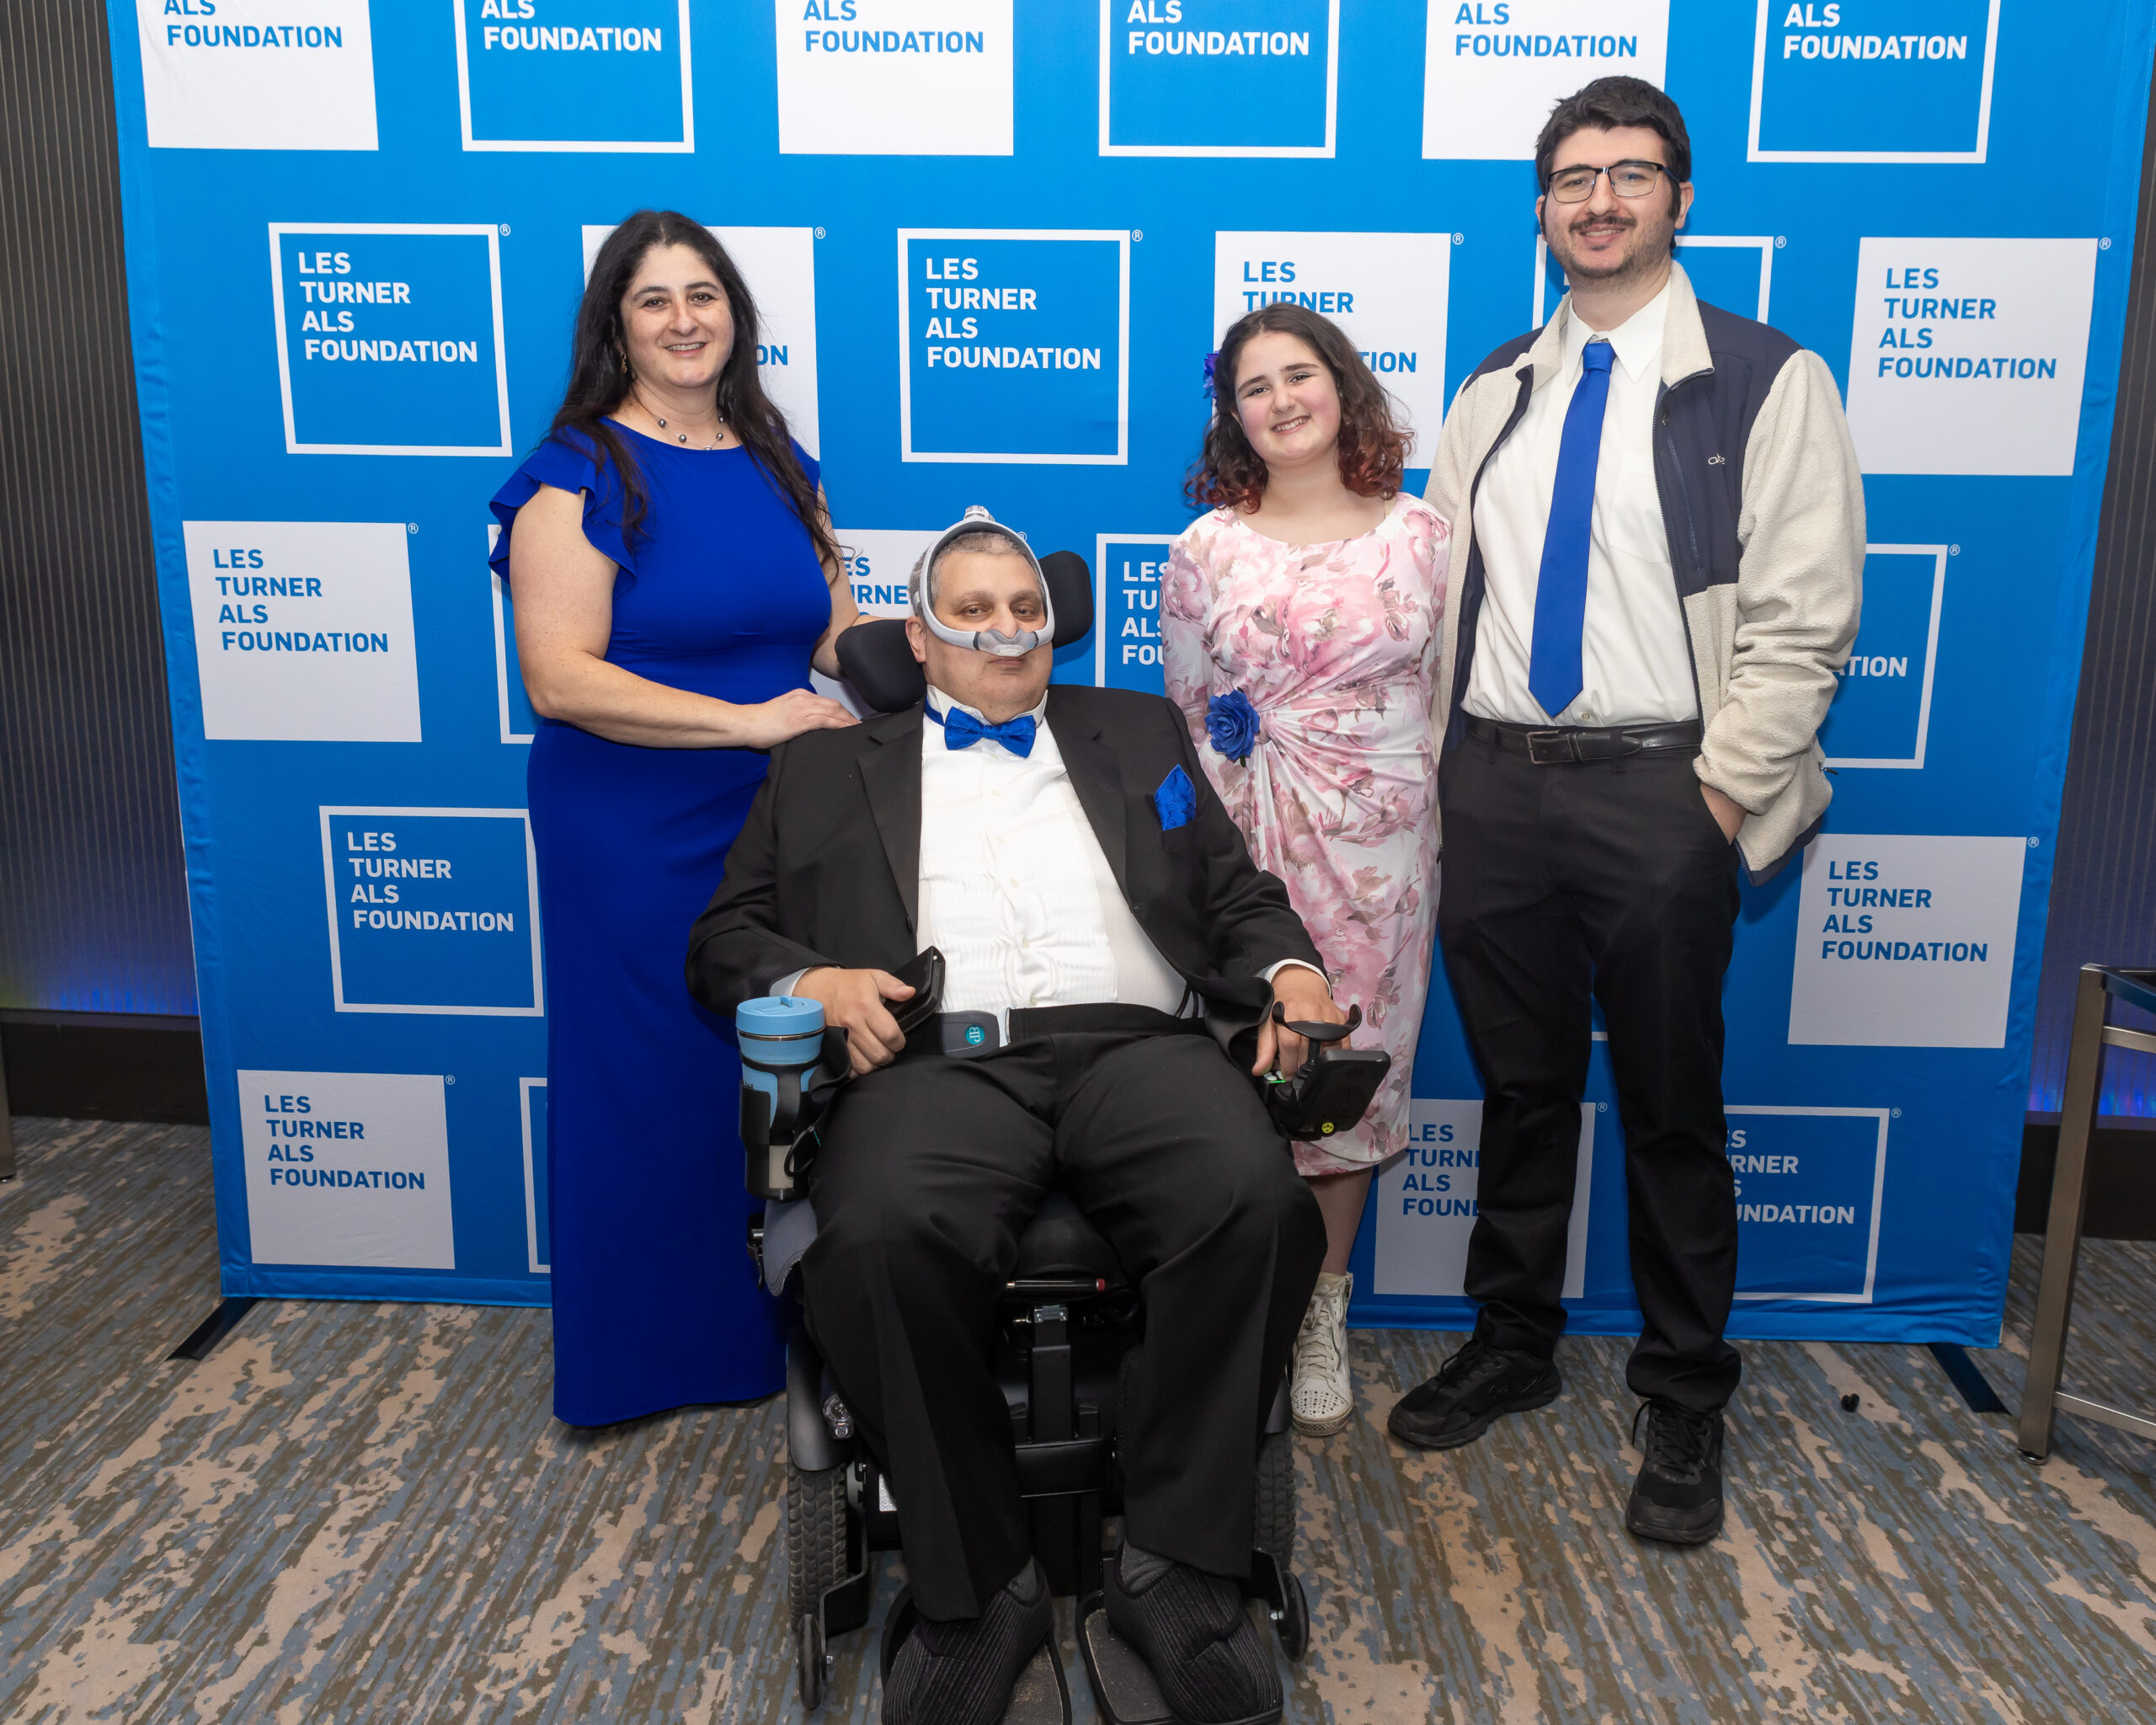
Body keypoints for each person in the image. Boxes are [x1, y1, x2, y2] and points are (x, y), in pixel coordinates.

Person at [687, 508, 1340, 1725]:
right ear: (918, 642)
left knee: (1256, 1206)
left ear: (1056, 631)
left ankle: (1180, 1572)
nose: (1006, 630)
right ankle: (977, 1590)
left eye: (1027, 610)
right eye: (973, 610)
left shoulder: (1139, 733)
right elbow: (724, 939)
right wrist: (814, 983)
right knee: (876, 1241)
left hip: (1135, 1047)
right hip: (932, 1064)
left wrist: (1290, 969)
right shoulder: (823, 766)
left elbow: (1235, 896)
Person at [1390, 77, 1862, 1546]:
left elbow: (1803, 619)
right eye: (1572, 178)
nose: (1599, 200)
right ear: (1540, 209)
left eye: (1630, 174)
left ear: (1681, 198)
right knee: (1522, 1088)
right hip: (1496, 784)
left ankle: (1684, 1390)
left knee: (1670, 1107)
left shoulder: (1768, 379)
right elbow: (1443, 603)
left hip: (1669, 787)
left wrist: (1719, 796)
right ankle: (1516, 1342)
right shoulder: (1490, 391)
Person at [489, 210, 862, 1426]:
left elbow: (828, 634)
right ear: (617, 324)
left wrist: (961, 640)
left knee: (768, 1081)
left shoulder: (774, 454)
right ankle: (640, 1361)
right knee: (647, 1079)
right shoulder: (578, 468)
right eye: (655, 299)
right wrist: (753, 721)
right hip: (631, 822)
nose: (685, 319)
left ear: (736, 317)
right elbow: (559, 677)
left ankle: (773, 1335)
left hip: (773, 818)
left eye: (705, 294)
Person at [1161, 304, 1449, 1439]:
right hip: (1239, 839)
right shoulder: (1205, 547)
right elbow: (1182, 721)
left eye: (1300, 376)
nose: (1281, 401)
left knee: (1347, 1070)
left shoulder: (1422, 532)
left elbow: (1447, 694)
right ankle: (1239, 1306)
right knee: (1234, 1062)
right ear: (1232, 415)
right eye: (1253, 388)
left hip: (1378, 842)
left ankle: (1324, 1309)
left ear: (1343, 386)